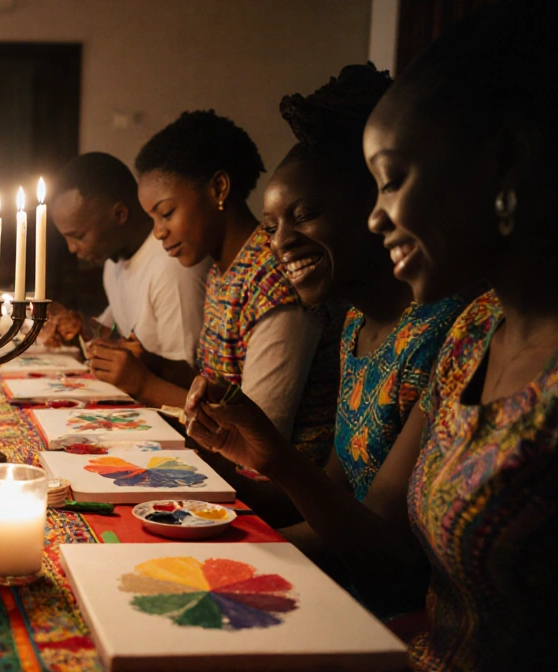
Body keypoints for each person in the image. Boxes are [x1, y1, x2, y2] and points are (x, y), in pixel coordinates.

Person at [187, 2, 558, 667]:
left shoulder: (448, 327)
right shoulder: (476, 333)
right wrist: (262, 469)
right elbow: (383, 545)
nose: (381, 218)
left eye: (392, 181)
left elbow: (387, 572)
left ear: (506, 160)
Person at [190, 65, 466, 575]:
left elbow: (381, 544)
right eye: (271, 227)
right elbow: (328, 503)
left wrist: (270, 472)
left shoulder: (446, 331)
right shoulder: (355, 327)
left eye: (306, 213)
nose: (280, 243)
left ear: (374, 203)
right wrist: (214, 457)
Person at [127, 110, 344, 474]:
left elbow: (258, 440)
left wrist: (147, 385)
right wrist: (157, 365)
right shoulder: (222, 268)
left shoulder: (276, 279)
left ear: (218, 189)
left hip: (280, 491)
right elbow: (223, 384)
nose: (158, 232)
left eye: (166, 213)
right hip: (226, 468)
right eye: (152, 219)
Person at [50, 152, 210, 389]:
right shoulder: (114, 262)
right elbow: (113, 331)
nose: (72, 248)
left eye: (79, 236)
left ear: (119, 214)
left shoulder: (171, 265)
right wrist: (77, 325)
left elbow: (188, 377)